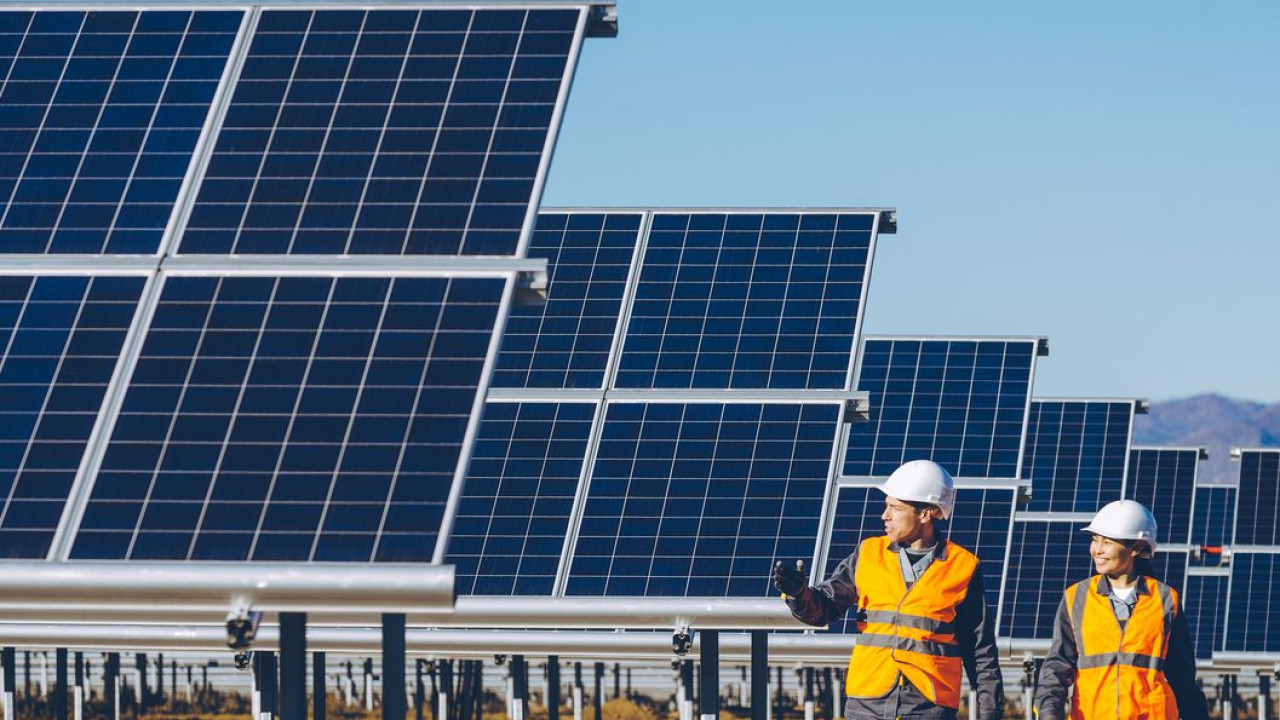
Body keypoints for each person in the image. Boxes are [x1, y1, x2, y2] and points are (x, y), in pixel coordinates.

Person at [775, 460, 1004, 720]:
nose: (885, 516)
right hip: (867, 704)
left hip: (928, 707)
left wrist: (990, 712)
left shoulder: (962, 567)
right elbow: (822, 611)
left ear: (926, 513)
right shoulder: (869, 554)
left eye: (894, 508)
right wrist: (799, 594)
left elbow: (980, 650)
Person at [1034, 499, 1209, 720]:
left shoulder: (1166, 600)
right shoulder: (1076, 598)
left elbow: (1183, 677)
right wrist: (1049, 713)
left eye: (1107, 542)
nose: (1097, 550)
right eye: (1095, 540)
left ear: (1136, 548)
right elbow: (1056, 668)